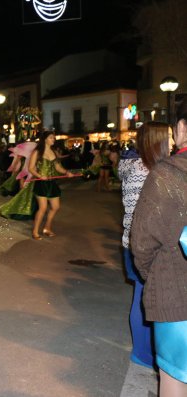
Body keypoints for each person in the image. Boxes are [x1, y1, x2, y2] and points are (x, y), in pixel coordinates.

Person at [132, 100, 187, 396]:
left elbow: (142, 242)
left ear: (181, 128)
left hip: (177, 295)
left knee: (175, 376)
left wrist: (155, 277)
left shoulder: (168, 175)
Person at [119, 122, 172, 369]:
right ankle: (143, 352)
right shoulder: (147, 172)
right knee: (144, 297)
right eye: (169, 137)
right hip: (144, 246)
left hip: (136, 244)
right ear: (158, 141)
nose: (173, 141)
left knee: (141, 295)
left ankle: (144, 350)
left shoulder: (144, 168)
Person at [28, 131, 73, 240]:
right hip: (41, 183)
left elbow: (58, 168)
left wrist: (66, 172)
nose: (53, 139)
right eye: (51, 138)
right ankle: (35, 231)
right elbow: (31, 168)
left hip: (51, 183)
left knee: (55, 207)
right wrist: (39, 175)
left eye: (54, 138)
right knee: (43, 208)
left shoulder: (54, 152)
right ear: (45, 139)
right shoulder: (37, 152)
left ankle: (47, 228)